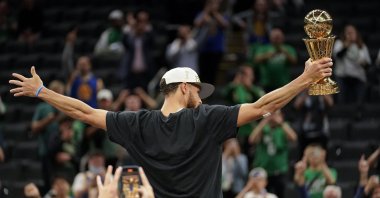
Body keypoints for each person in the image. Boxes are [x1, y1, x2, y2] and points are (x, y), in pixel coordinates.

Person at [9, 55, 333, 197]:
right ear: (183, 88)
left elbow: (84, 113)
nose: (201, 96)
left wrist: (42, 91)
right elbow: (264, 106)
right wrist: (305, 79)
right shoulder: (208, 119)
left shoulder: (136, 124)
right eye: (197, 90)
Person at [248, 110, 297, 198]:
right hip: (264, 171)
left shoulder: (283, 128)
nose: (273, 117)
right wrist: (264, 121)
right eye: (272, 115)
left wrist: (281, 123)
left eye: (276, 115)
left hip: (279, 170)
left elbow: (294, 138)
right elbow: (252, 139)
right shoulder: (264, 128)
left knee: (280, 195)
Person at [223, 66, 265, 159]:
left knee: (251, 154)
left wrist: (250, 87)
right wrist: (235, 82)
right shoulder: (235, 88)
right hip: (236, 128)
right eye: (248, 75)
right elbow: (225, 93)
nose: (251, 77)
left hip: (250, 128)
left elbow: (262, 96)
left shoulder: (253, 89)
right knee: (237, 155)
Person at [31, 80, 66, 193]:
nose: (61, 95)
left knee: (62, 183)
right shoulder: (43, 107)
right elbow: (34, 127)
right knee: (50, 184)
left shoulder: (62, 107)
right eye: (59, 92)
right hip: (46, 151)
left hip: (59, 151)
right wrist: (48, 120)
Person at [333, 24, 371, 104]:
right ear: (344, 34)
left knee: (359, 100)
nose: (350, 35)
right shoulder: (339, 43)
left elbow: (368, 65)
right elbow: (337, 56)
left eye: (352, 33)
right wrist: (346, 45)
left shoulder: (362, 46)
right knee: (341, 100)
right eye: (348, 33)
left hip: (358, 76)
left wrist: (363, 63)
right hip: (342, 76)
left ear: (356, 34)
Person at [194, 0, 229, 84]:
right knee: (202, 73)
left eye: (216, 4)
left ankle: (211, 94)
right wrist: (206, 11)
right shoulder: (203, 14)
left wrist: (214, 13)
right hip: (203, 48)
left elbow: (225, 24)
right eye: (211, 3)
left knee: (212, 73)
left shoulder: (222, 15)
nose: (213, 5)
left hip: (216, 49)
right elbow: (196, 23)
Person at [119, 10, 155, 90]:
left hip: (145, 73)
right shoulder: (130, 36)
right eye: (139, 21)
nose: (141, 24)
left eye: (144, 21)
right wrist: (131, 26)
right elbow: (125, 42)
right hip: (130, 73)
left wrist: (144, 28)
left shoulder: (147, 36)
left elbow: (152, 41)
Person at [253, 28, 297, 92]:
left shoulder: (288, 48)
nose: (277, 39)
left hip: (283, 84)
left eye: (278, 37)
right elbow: (256, 60)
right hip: (267, 84)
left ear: (283, 37)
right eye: (275, 37)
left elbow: (294, 61)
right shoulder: (264, 48)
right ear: (270, 38)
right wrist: (267, 56)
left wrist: (285, 52)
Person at [48, 117, 79, 183]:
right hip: (58, 171)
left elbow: (79, 157)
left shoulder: (75, 140)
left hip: (73, 170)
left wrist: (70, 158)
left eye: (69, 126)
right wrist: (62, 139)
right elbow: (50, 152)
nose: (67, 129)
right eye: (65, 126)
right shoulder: (55, 138)